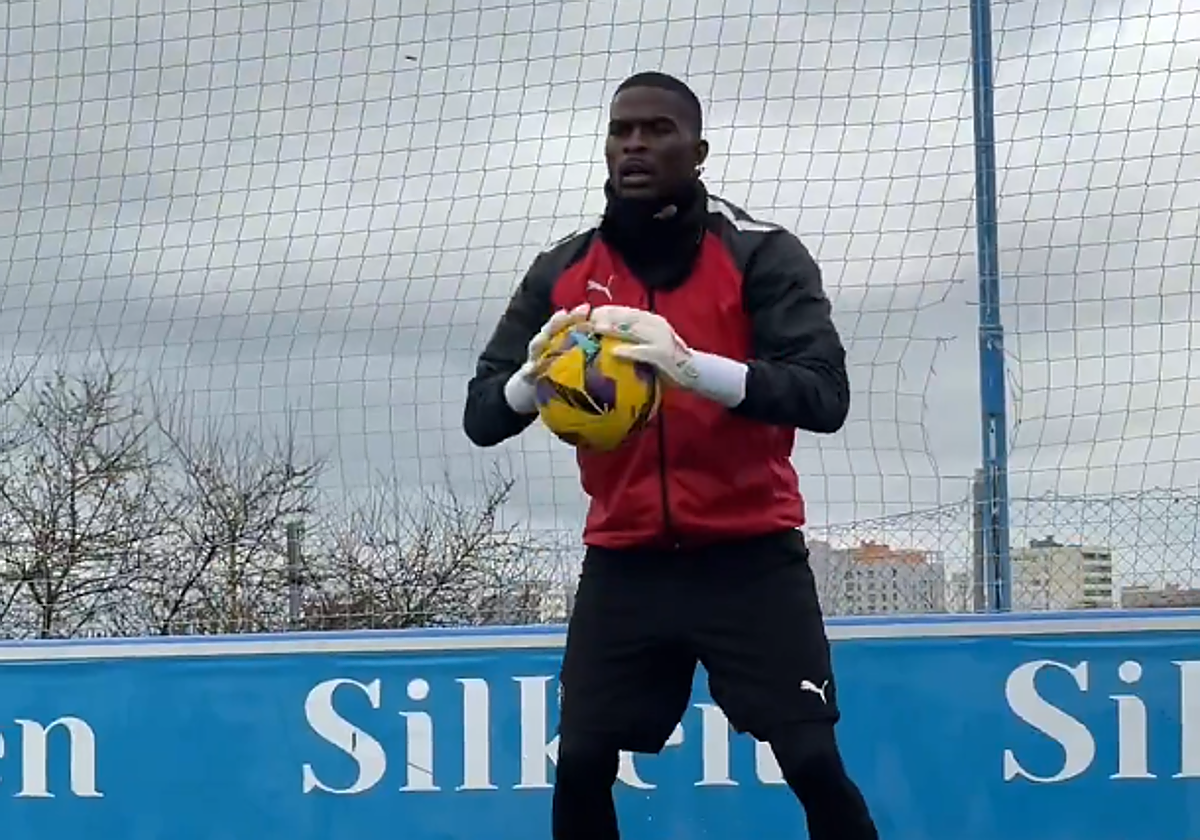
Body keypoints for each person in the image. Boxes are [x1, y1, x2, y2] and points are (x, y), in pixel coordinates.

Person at [463, 71, 879, 840]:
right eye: (621, 130)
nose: (635, 144)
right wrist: (527, 385)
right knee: (582, 761)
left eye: (656, 130)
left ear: (699, 151)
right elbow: (481, 416)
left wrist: (695, 370)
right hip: (626, 563)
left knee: (811, 758)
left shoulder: (761, 254)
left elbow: (826, 395)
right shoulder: (563, 272)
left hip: (750, 556)